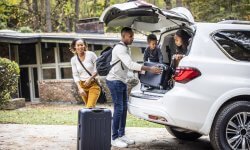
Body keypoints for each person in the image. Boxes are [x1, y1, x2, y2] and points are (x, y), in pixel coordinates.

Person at [106, 27, 161, 148]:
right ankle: (114, 137)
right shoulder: (120, 48)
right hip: (114, 81)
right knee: (119, 109)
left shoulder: (126, 48)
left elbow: (128, 67)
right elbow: (130, 64)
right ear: (123, 36)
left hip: (122, 81)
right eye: (130, 36)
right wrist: (149, 68)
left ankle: (122, 134)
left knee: (124, 108)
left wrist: (141, 72)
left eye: (132, 36)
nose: (132, 38)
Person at [70, 38, 101, 108]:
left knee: (89, 107)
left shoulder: (91, 55)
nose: (80, 47)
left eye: (82, 45)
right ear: (75, 46)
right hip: (82, 86)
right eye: (78, 45)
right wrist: (80, 88)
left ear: (84, 46)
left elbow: (98, 69)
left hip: (94, 84)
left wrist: (90, 78)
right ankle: (95, 119)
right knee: (89, 108)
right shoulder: (73, 60)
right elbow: (75, 75)